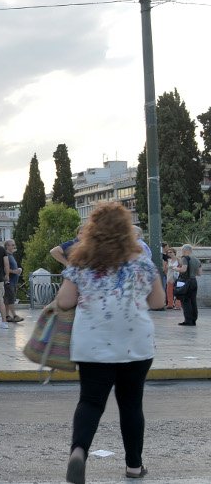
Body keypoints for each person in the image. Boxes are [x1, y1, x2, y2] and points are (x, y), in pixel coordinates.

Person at [58, 202, 164, 484]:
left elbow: (64, 301)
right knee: (131, 404)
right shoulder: (142, 261)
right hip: (135, 344)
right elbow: (158, 301)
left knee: (91, 402)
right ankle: (134, 466)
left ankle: (79, 451)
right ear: (126, 230)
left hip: (92, 344)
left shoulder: (81, 261)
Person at [175, 244, 202, 327]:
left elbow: (184, 269)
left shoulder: (185, 258)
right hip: (194, 281)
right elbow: (199, 273)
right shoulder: (197, 260)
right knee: (193, 301)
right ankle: (193, 320)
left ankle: (188, 320)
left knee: (185, 301)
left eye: (182, 250)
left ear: (186, 250)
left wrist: (176, 268)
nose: (182, 252)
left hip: (186, 281)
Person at [3, 239, 24, 323]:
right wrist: (15, 271)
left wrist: (17, 270)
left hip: (13, 281)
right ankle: (14, 316)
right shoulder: (6, 256)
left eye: (14, 244)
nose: (14, 246)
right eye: (12, 245)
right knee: (11, 299)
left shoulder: (11, 255)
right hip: (9, 281)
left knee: (8, 299)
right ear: (7, 246)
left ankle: (7, 316)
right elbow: (5, 268)